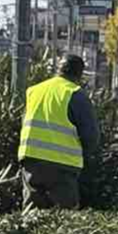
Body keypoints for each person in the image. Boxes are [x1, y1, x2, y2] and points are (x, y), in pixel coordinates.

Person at [17, 54, 99, 209]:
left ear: (58, 70)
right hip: (62, 165)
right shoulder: (75, 93)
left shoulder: (34, 90)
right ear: (79, 74)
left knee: (32, 211)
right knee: (64, 214)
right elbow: (90, 136)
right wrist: (87, 156)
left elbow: (24, 121)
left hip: (31, 160)